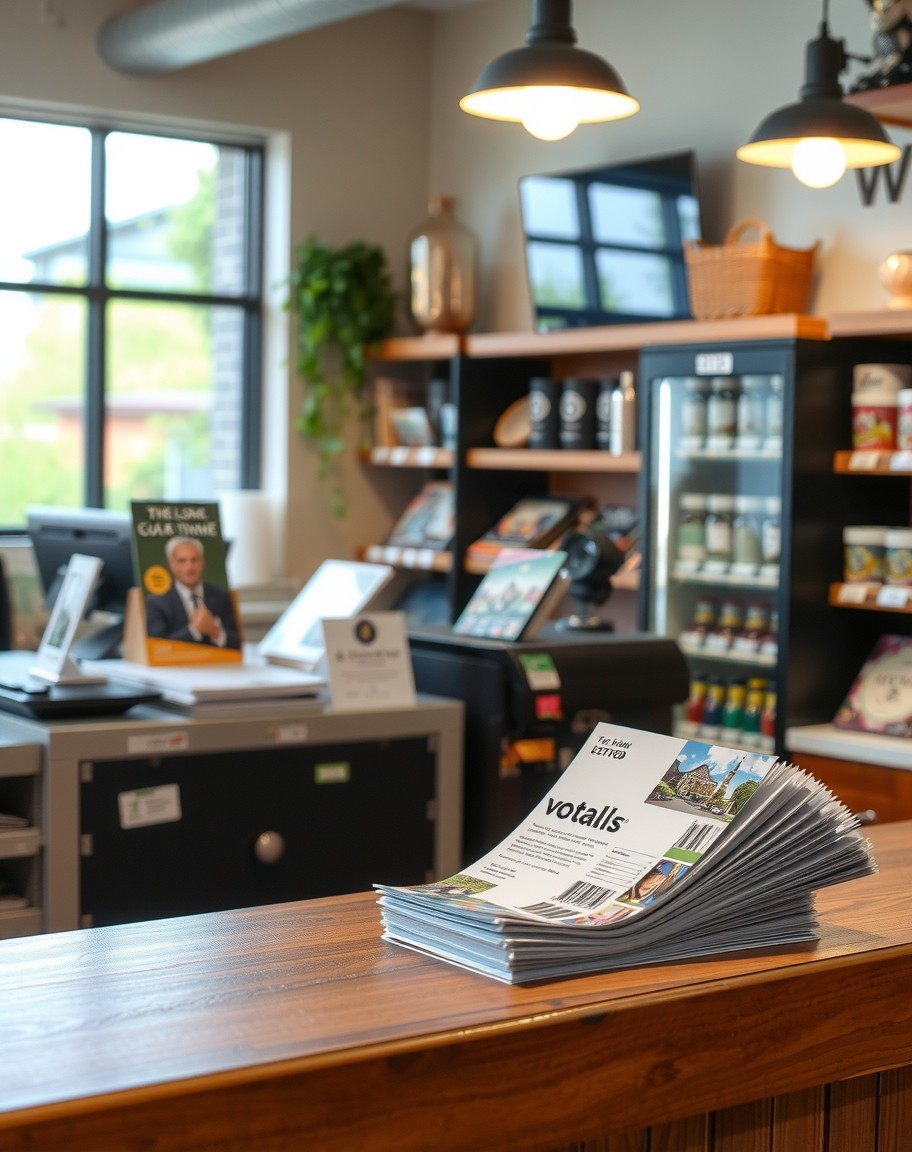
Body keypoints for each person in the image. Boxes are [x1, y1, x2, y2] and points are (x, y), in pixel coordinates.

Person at [145, 536, 240, 649]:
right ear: (171, 564)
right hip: (175, 666)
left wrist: (216, 632)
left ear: (202, 563)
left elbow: (238, 642)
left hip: (217, 664)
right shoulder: (156, 602)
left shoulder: (221, 595)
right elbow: (158, 647)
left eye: (194, 560)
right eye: (182, 561)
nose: (189, 567)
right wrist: (194, 631)